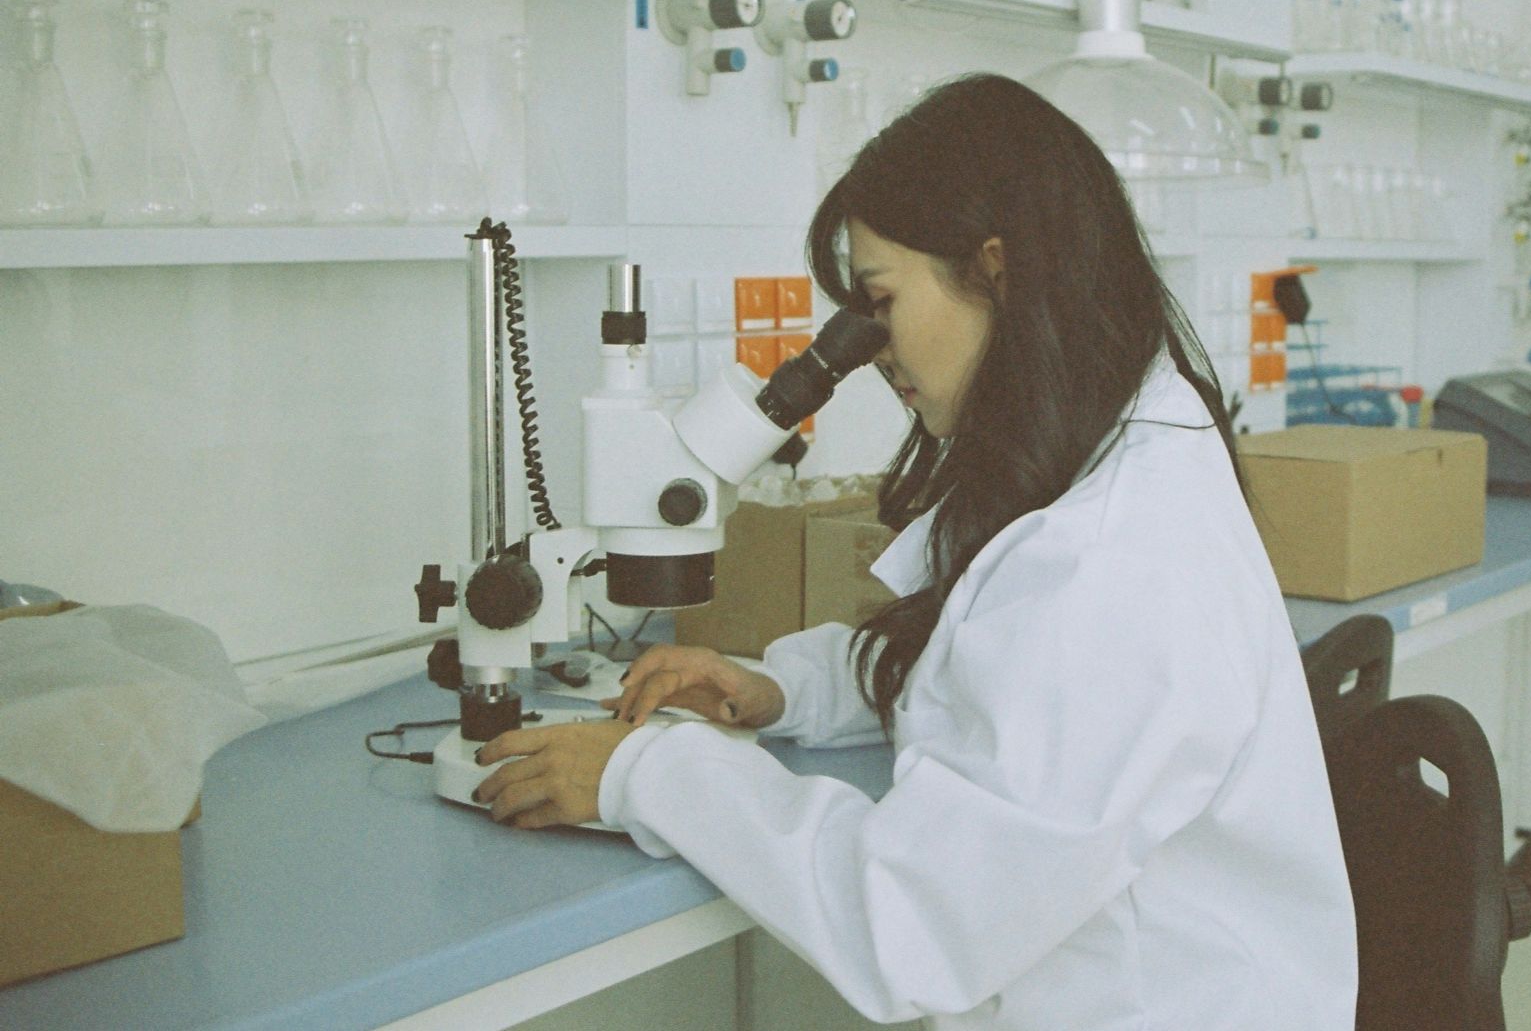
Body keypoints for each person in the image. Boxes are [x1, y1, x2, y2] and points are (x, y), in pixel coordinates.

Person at [473, 73, 1357, 1029]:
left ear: (997, 270)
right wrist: (783, 690)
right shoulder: (1107, 449)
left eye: (880, 298)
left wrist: (644, 774)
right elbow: (988, 666)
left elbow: (912, 925)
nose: (869, 349)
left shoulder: (1116, 562)